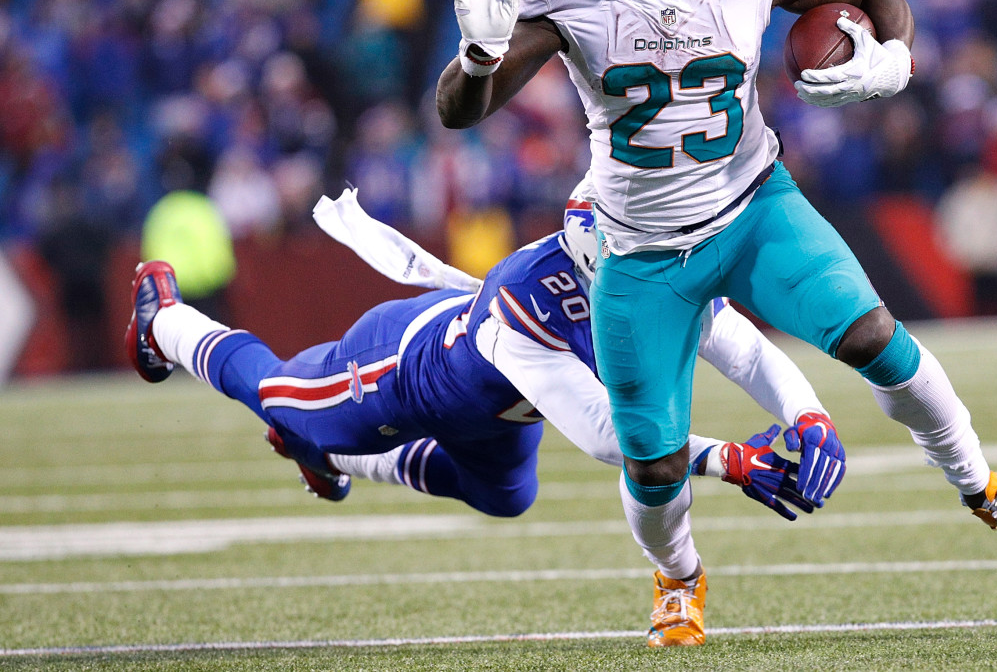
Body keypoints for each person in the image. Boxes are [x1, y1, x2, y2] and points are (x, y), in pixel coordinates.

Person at [435, 0, 997, 648]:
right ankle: (678, 577)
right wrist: (476, 58)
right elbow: (459, 111)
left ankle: (981, 483)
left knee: (875, 338)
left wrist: (894, 55)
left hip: (753, 205)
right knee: (652, 462)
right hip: (639, 249)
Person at [124, 179, 847, 646]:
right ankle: (166, 323)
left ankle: (335, 459)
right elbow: (604, 432)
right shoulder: (521, 306)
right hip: (403, 371)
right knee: (284, 401)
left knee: (507, 496)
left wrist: (808, 415)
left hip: (500, 414)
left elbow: (744, 351)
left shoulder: (658, 264)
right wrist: (732, 459)